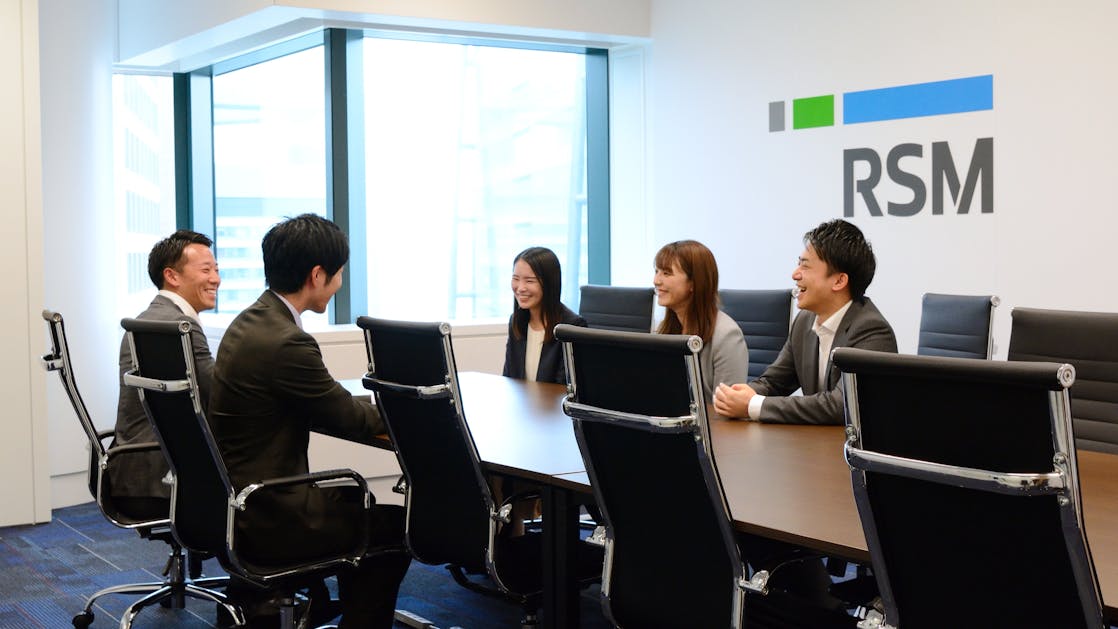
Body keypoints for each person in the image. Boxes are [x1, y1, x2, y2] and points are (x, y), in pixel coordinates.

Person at [209, 214, 409, 628]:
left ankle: (307, 604)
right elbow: (348, 418)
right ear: (317, 275)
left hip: (235, 503)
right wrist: (408, 409)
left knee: (357, 500)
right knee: (395, 529)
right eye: (338, 274)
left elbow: (324, 402)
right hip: (269, 515)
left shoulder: (249, 322)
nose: (339, 285)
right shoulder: (288, 342)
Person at [714, 219, 897, 424]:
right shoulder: (805, 320)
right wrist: (741, 394)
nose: (795, 274)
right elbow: (774, 382)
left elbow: (842, 405)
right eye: (798, 263)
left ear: (839, 281)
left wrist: (753, 405)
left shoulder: (871, 331)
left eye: (805, 266)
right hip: (818, 440)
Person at [110, 230, 220, 519]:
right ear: (171, 276)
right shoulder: (179, 326)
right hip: (163, 476)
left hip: (135, 470)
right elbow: (217, 395)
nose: (216, 279)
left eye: (216, 270)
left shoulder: (148, 319)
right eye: (206, 270)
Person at [653, 240, 749, 405]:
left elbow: (728, 409)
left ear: (694, 283)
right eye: (657, 271)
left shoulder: (727, 335)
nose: (656, 280)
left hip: (712, 422)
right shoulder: (662, 328)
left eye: (667, 273)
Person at [502, 246, 586, 384]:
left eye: (529, 281)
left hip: (552, 399)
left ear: (549, 284)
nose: (520, 288)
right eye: (516, 279)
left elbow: (564, 388)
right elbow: (509, 378)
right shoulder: (516, 322)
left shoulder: (571, 327)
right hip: (521, 399)